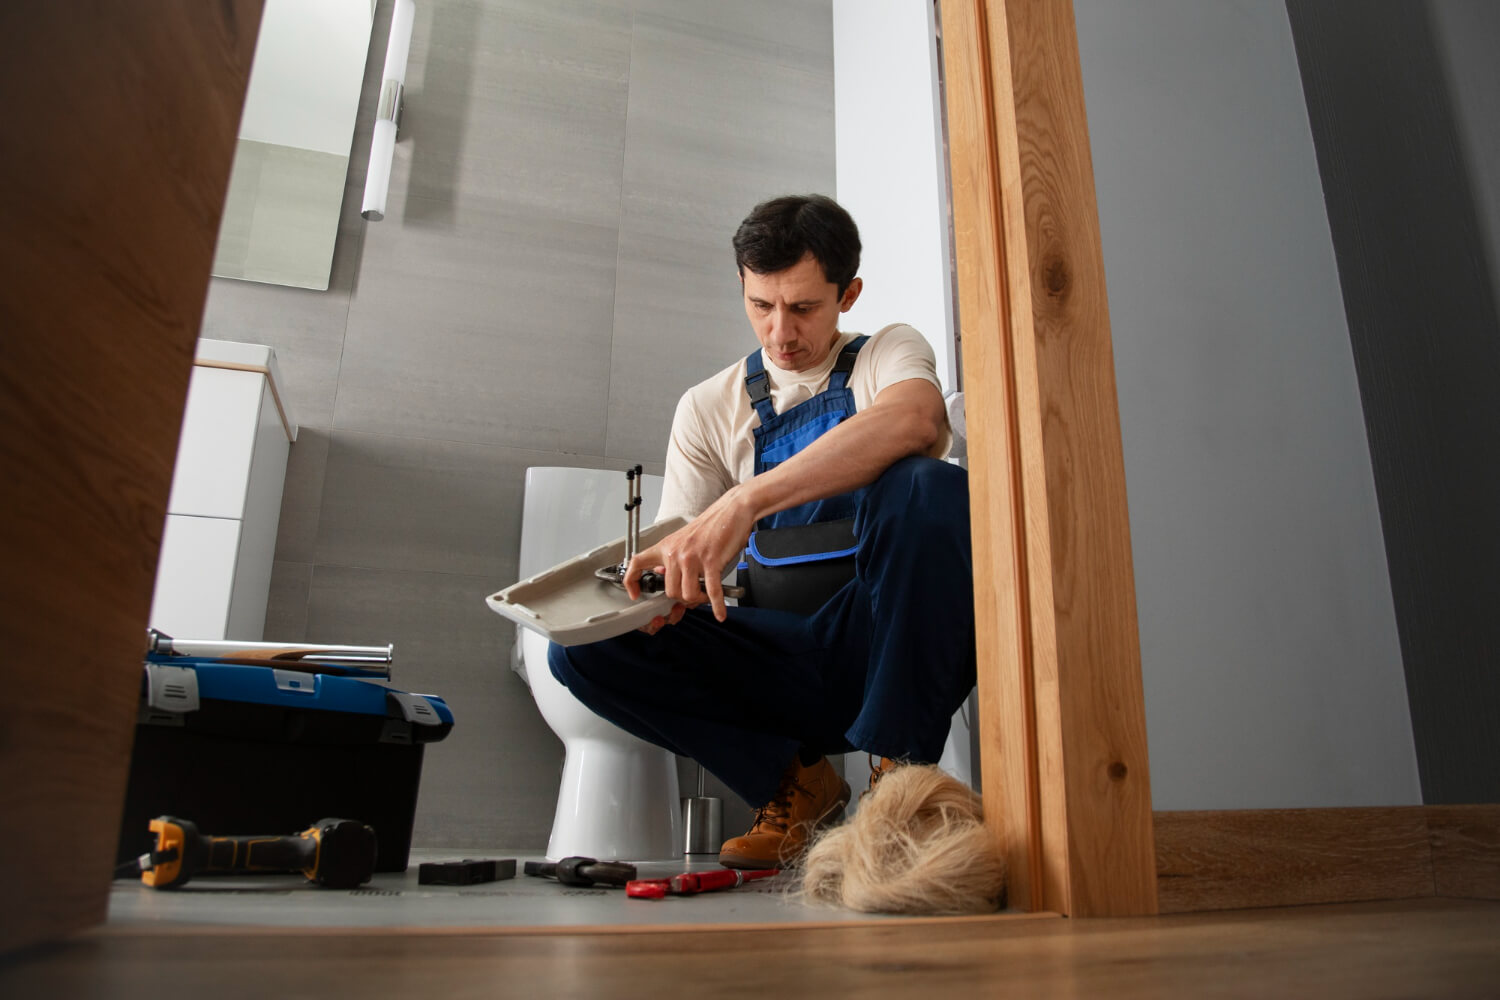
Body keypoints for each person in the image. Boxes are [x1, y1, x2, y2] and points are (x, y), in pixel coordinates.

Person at [549, 194, 976, 870]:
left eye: (803, 308)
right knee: (580, 652)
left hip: (880, 644)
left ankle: (903, 780)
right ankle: (797, 787)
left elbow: (916, 421)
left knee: (926, 485)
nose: (780, 332)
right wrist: (655, 592)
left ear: (848, 295)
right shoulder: (707, 407)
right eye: (761, 305)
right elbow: (685, 552)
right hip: (778, 658)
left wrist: (745, 501)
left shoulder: (886, 353)